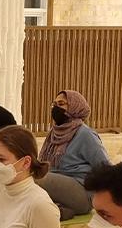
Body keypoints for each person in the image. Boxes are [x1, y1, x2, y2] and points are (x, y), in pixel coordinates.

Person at [35, 90, 112, 220]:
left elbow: (105, 168)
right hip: (60, 187)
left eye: (61, 104)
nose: (55, 108)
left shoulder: (85, 134)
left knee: (34, 179)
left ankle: (61, 208)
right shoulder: (54, 133)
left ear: (75, 106)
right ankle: (62, 210)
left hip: (82, 192)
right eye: (54, 104)